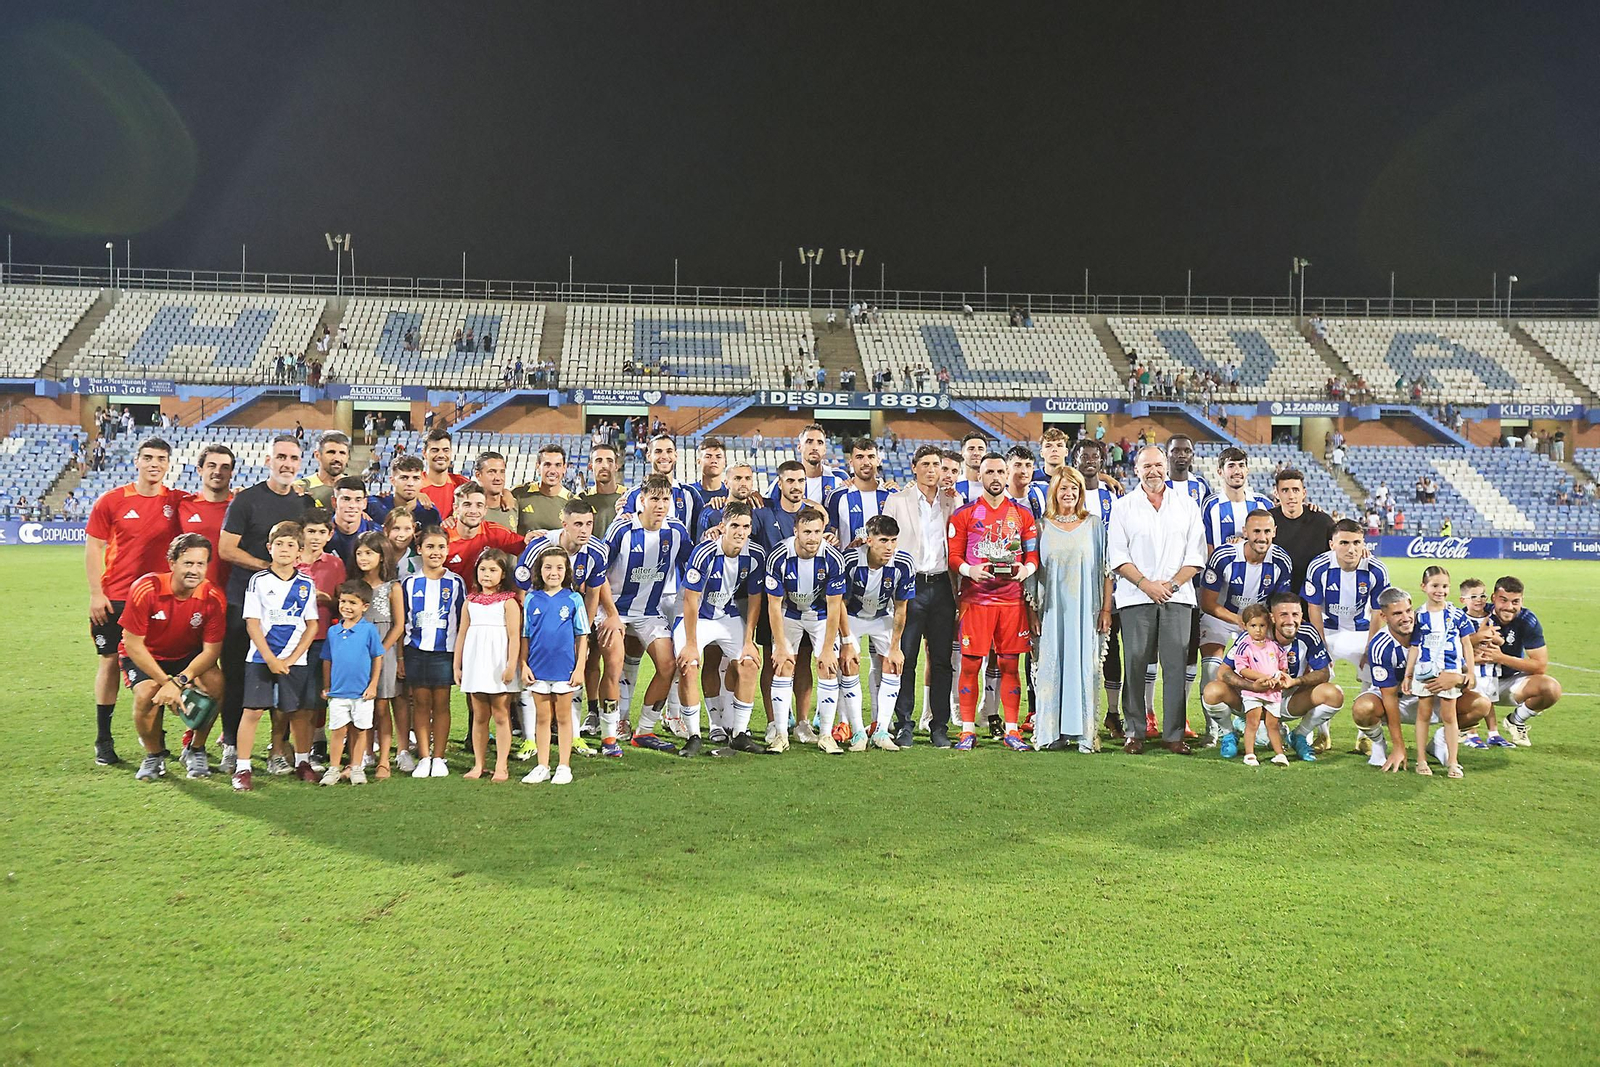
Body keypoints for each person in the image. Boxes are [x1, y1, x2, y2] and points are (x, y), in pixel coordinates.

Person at [85, 436, 184, 766]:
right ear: (137, 461)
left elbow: (211, 504)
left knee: (160, 666)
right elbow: (94, 547)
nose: (154, 463)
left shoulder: (177, 501)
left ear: (168, 464)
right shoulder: (111, 501)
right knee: (110, 662)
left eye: (161, 458)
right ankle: (103, 738)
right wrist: (96, 594)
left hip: (158, 601)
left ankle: (157, 738)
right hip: (116, 598)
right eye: (148, 457)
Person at [216, 434, 309, 778]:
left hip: (286, 611)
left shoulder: (301, 504)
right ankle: (230, 746)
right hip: (244, 602)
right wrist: (266, 568)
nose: (286, 463)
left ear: (300, 463)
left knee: (284, 677)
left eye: (293, 458)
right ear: (268, 460)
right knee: (238, 677)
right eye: (280, 457)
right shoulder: (247, 501)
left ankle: (277, 749)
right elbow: (226, 549)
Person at [1106, 445, 1207, 754]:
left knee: (1176, 665)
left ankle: (1174, 735)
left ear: (1166, 467)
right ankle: (1134, 732)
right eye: (1146, 466)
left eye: (1158, 465)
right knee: (1135, 664)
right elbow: (1117, 556)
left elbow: (1197, 553)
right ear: (1136, 470)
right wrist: (1147, 585)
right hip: (1135, 597)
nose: (1153, 471)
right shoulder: (1123, 507)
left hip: (1178, 597)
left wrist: (1172, 586)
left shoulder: (1187, 505)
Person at [947, 451, 1039, 751]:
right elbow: (953, 556)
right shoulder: (964, 515)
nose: (996, 477)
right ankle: (967, 729)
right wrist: (970, 570)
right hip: (976, 600)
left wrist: (1025, 570)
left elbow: (1033, 555)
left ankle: (1012, 730)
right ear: (980, 476)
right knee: (971, 665)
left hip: (1011, 602)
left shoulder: (1023, 516)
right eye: (990, 472)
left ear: (1007, 475)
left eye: (1001, 472)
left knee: (1010, 665)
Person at [517, 499, 621, 754]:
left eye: (589, 524)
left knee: (612, 654)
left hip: (576, 612)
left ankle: (604, 735)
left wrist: (581, 636)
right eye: (577, 524)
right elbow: (521, 595)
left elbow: (593, 594)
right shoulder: (538, 548)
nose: (584, 530)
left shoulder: (597, 550)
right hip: (539, 615)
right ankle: (530, 737)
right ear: (564, 524)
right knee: (533, 674)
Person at [120, 533, 227, 780]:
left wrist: (180, 681)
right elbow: (133, 644)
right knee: (147, 693)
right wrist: (166, 683)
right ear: (172, 563)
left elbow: (211, 652)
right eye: (188, 563)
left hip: (186, 655)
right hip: (146, 654)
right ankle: (154, 755)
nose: (194, 570)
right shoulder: (146, 588)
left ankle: (195, 749)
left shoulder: (213, 597)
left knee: (216, 684)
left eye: (201, 564)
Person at [1352, 589, 1490, 773]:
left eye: (1409, 611)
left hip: (1432, 698)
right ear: (1384, 616)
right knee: (1363, 708)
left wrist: (1458, 678)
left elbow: (1467, 677)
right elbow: (1390, 697)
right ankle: (1378, 745)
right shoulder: (1380, 646)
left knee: (1481, 704)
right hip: (1398, 701)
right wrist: (1399, 746)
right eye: (1397, 613)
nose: (1406, 618)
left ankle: (1440, 741)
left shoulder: (1432, 629)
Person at [604, 475, 694, 753]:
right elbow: (599, 573)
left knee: (668, 665)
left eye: (665, 499)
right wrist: (610, 614)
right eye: (654, 499)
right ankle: (610, 733)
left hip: (649, 611)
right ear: (641, 500)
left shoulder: (676, 531)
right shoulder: (622, 528)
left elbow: (693, 567)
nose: (660, 505)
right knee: (615, 664)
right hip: (615, 609)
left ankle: (644, 730)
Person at [1203, 593, 1345, 763]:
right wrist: (1252, 687)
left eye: (1295, 614)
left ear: (1301, 615)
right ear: (1272, 617)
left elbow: (1324, 672)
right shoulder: (1253, 634)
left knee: (1334, 694)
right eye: (1284, 614)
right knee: (1212, 691)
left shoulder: (1308, 634)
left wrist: (1295, 681)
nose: (1290, 620)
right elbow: (1223, 672)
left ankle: (1299, 735)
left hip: (1288, 701)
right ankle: (1228, 734)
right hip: (1251, 700)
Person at [1028, 466, 1111, 752]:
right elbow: (1032, 574)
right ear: (1054, 491)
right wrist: (1032, 613)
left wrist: (1106, 611)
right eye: (1063, 488)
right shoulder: (1041, 526)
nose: (1069, 493)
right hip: (1052, 611)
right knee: (1052, 666)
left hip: (1085, 610)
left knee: (1083, 667)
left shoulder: (1094, 525)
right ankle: (1051, 733)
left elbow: (1106, 570)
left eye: (1074, 489)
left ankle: (1084, 734)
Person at [233, 521, 321, 791]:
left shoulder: (306, 583)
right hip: (261, 658)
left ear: (299, 552)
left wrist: (293, 658)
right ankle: (243, 767)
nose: (284, 549)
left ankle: (303, 761)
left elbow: (312, 624)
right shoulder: (258, 581)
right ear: (269, 548)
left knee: (298, 713)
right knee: (253, 711)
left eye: (291, 545)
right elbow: (252, 623)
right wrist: (270, 657)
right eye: (279, 544)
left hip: (296, 660)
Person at [676, 500, 767, 756]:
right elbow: (690, 599)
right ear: (722, 527)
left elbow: (754, 600)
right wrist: (691, 644)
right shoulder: (704, 552)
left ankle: (739, 734)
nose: (740, 532)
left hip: (726, 616)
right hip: (696, 618)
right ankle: (694, 736)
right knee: (689, 666)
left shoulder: (755, 554)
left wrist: (749, 640)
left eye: (746, 526)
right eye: (735, 525)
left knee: (749, 663)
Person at [884, 445, 961, 748]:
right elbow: (886, 545)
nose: (933, 470)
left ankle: (938, 726)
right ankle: (905, 724)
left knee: (942, 660)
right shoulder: (897, 500)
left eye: (937, 465)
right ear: (914, 467)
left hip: (943, 586)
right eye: (926, 464)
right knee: (907, 658)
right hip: (909, 585)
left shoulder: (953, 502)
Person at [1196, 510, 1293, 746]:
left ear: (1274, 533)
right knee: (1212, 669)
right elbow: (1207, 602)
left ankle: (1264, 718)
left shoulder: (1281, 561)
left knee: (1269, 667)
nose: (1262, 537)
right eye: (1257, 531)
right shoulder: (1224, 556)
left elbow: (1278, 604)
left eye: (1267, 531)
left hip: (1258, 623)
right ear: (1245, 532)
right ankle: (1217, 729)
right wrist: (1238, 620)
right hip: (1221, 614)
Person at [764, 506, 848, 753]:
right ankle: (781, 735)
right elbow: (774, 605)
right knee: (783, 665)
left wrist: (828, 649)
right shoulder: (779, 555)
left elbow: (835, 607)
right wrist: (780, 646)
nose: (812, 538)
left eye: (817, 532)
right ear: (796, 531)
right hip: (789, 613)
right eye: (807, 531)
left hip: (820, 615)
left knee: (828, 666)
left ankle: (825, 736)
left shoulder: (833, 558)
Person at [1302, 519, 1390, 752]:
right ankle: (1322, 735)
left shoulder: (1376, 569)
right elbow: (1314, 608)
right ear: (1332, 544)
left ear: (1363, 543)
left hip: (1361, 630)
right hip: (1328, 630)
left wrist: (1372, 647)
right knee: (1317, 673)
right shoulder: (1319, 566)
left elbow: (1379, 612)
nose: (1351, 549)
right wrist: (1319, 646)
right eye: (1344, 543)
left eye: (1356, 543)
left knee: (1375, 673)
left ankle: (1365, 735)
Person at [836, 514, 915, 752]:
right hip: (851, 616)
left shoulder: (903, 564)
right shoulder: (850, 560)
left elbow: (901, 608)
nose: (889, 547)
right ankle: (858, 732)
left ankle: (881, 730)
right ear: (869, 540)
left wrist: (895, 646)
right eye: (883, 540)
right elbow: (838, 601)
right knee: (849, 663)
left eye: (893, 540)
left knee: (893, 663)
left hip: (882, 616)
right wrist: (848, 640)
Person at [519, 546, 591, 785]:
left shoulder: (573, 599)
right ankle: (542, 765)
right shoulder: (531, 599)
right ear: (539, 570)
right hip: (538, 668)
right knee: (542, 717)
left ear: (566, 571)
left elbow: (582, 635)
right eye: (548, 567)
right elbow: (525, 635)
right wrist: (523, 664)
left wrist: (580, 667)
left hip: (564, 669)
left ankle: (563, 766)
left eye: (559, 567)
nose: (553, 572)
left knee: (563, 717)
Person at [401, 526, 468, 779]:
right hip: (416, 651)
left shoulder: (455, 583)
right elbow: (402, 622)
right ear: (419, 550)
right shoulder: (409, 583)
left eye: (441, 547)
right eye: (430, 547)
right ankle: (424, 757)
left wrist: (459, 659)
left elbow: (462, 623)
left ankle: (439, 757)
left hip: (444, 652)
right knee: (419, 703)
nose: (436, 552)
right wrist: (400, 657)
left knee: (441, 704)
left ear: (448, 550)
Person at [1472, 575, 1562, 746]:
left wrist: (1501, 658)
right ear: (1493, 598)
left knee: (1551, 688)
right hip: (1476, 685)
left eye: (1515, 602)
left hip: (1508, 683)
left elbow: (1540, 665)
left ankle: (1516, 720)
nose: (1509, 607)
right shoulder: (1476, 614)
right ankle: (1466, 731)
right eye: (1503, 600)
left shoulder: (1527, 620)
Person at [456, 548, 521, 782]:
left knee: (501, 714)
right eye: (482, 569)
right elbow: (462, 634)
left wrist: (511, 665)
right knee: (479, 715)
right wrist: (458, 666)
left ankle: (502, 765)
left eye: (493, 570)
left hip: (498, 663)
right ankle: (479, 763)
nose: (486, 574)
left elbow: (514, 636)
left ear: (503, 574)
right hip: (475, 663)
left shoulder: (509, 603)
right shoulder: (470, 602)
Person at [1404, 566, 1475, 778]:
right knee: (1423, 714)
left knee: (1449, 716)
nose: (1440, 590)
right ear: (1423, 587)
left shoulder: (1456, 615)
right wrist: (1408, 675)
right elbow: (1415, 647)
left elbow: (1467, 644)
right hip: (1424, 672)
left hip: (1450, 671)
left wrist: (1470, 672)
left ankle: (1453, 761)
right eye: (1435, 585)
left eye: (1444, 586)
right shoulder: (1419, 615)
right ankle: (1421, 760)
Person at [317, 581, 384, 786]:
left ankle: (357, 767)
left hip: (362, 693)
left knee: (361, 730)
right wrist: (327, 686)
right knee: (338, 730)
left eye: (352, 602)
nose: (346, 606)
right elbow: (327, 659)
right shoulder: (333, 632)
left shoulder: (369, 630)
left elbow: (377, 658)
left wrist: (373, 685)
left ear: (364, 606)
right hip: (338, 692)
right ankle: (334, 768)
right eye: (343, 601)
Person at [350, 532, 405, 778]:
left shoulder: (392, 587)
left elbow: (399, 625)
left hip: (384, 649)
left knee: (382, 707)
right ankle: (358, 758)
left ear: (382, 557)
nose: (363, 558)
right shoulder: (353, 586)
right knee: (356, 705)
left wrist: (380, 650)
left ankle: (384, 760)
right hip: (355, 650)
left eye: (369, 553)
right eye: (359, 553)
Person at [1226, 603, 1291, 766]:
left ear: (1268, 626)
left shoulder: (1275, 646)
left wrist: (1278, 678)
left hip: (1273, 693)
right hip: (1253, 693)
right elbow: (1242, 669)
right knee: (1252, 722)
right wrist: (1262, 678)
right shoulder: (1243, 647)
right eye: (1253, 625)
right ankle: (1249, 754)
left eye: (1262, 625)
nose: (1258, 630)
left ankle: (1279, 754)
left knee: (1273, 724)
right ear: (1246, 626)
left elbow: (1283, 667)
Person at [176, 444, 237, 590]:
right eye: (211, 466)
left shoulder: (241, 506)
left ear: (232, 473)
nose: (218, 472)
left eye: (225, 467)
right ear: (199, 470)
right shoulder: (182, 505)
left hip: (233, 594)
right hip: (191, 593)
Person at [1267, 467, 1335, 594]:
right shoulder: (1267, 521)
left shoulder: (1323, 522)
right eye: (1285, 490)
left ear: (1304, 493)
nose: (1291, 496)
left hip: (1314, 598)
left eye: (1295, 490)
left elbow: (1341, 546)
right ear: (1276, 493)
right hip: (1276, 597)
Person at [443, 481, 525, 585]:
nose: (473, 511)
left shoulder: (496, 533)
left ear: (485, 510)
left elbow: (526, 548)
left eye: (479, 505)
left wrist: (520, 591)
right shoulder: (443, 536)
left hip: (486, 598)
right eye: (467, 505)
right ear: (456, 509)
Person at [621, 434, 703, 534]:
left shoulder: (690, 494)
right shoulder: (633, 495)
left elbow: (702, 531)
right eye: (658, 451)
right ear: (649, 456)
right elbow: (622, 532)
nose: (664, 456)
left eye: (669, 451)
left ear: (676, 455)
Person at [827, 437, 894, 546]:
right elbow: (830, 535)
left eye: (871, 457)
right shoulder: (837, 496)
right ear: (851, 462)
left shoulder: (891, 495)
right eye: (860, 457)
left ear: (878, 460)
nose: (866, 462)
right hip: (849, 562)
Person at [772, 423, 848, 507]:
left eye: (820, 443)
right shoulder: (784, 480)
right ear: (799, 447)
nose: (815, 447)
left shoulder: (840, 477)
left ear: (825, 450)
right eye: (809, 442)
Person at [366, 454, 444, 528]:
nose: (410, 483)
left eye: (416, 478)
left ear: (422, 481)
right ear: (392, 481)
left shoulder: (430, 513)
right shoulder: (374, 505)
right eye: (404, 478)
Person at [512, 444, 573, 535]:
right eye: (547, 465)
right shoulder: (519, 494)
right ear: (538, 467)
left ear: (564, 468)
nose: (552, 471)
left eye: (558, 465)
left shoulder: (572, 502)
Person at [696, 463, 758, 539]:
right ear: (726, 483)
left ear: (752, 483)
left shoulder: (759, 510)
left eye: (748, 478)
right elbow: (699, 545)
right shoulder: (710, 512)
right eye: (737, 478)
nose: (743, 483)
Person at [419, 428, 468, 519]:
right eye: (435, 450)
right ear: (424, 453)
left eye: (445, 450)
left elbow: (486, 497)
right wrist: (413, 497)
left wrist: (503, 493)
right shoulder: (414, 485)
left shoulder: (461, 483)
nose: (441, 455)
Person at [577, 442, 624, 533]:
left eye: (610, 461)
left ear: (616, 466)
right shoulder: (581, 499)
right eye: (599, 461)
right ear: (590, 466)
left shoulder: (628, 497)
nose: (605, 466)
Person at [297, 431, 351, 508]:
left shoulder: (357, 490)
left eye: (342, 453)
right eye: (331, 452)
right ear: (317, 455)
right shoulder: (300, 487)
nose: (337, 458)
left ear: (347, 457)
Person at [471, 451, 519, 530]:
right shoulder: (470, 511)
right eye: (491, 472)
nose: (498, 478)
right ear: (478, 475)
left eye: (502, 472)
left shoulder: (513, 504)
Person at [1163, 434, 1211, 505]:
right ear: (1166, 455)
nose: (1182, 455)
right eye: (1176, 451)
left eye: (1187, 451)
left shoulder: (1201, 484)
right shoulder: (1159, 484)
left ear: (1193, 456)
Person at [692, 437, 730, 513]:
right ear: (699, 462)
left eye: (718, 457)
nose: (714, 461)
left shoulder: (730, 494)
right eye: (708, 457)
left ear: (724, 462)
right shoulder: (690, 492)